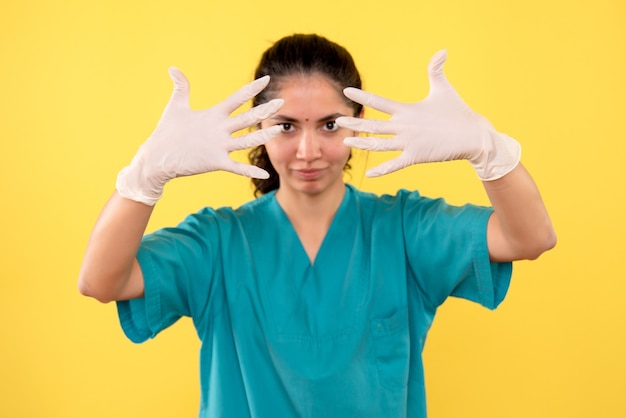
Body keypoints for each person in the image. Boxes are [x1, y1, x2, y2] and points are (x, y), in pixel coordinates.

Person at [78, 34, 556, 417]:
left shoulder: (404, 230)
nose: (308, 151)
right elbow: (102, 281)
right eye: (286, 126)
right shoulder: (217, 242)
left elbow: (530, 238)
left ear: (359, 124)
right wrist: (146, 175)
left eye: (330, 125)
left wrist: (488, 151)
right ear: (257, 129)